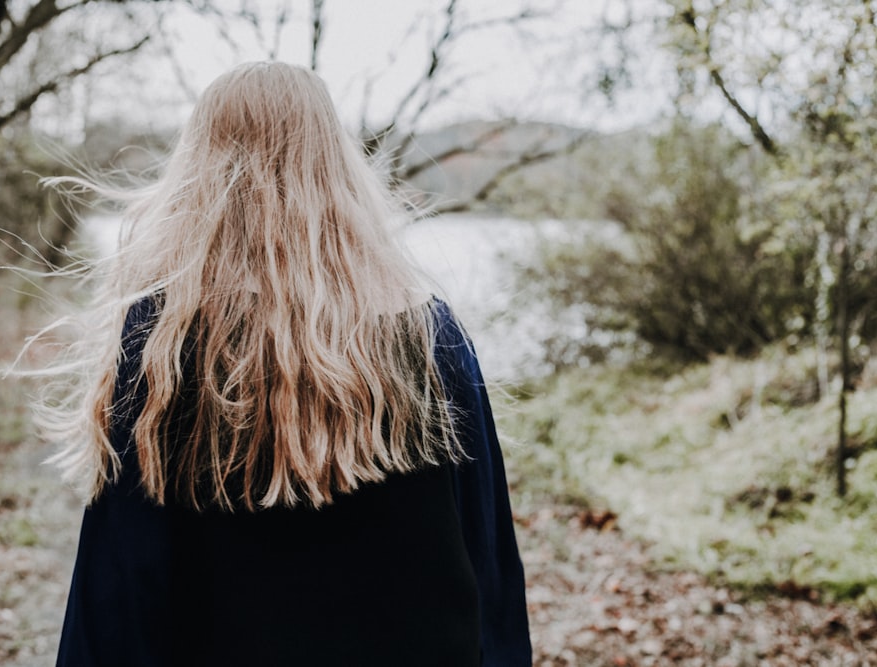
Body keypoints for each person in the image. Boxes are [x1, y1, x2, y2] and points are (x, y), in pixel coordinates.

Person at [42, 61, 530, 666]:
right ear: (338, 167)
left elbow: (115, 596)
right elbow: (490, 566)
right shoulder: (432, 335)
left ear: (198, 171)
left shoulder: (161, 341)